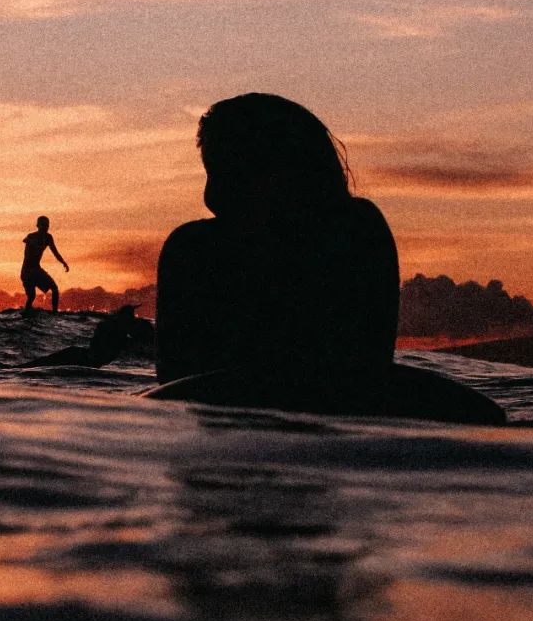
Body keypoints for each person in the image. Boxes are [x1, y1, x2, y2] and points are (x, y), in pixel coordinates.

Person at [153, 93, 400, 410]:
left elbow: (176, 381)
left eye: (230, 172)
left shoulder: (191, 249)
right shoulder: (361, 230)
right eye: (212, 173)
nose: (211, 196)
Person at [20, 305, 150, 368]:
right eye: (131, 318)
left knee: (40, 363)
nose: (133, 320)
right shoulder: (115, 331)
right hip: (82, 357)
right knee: (40, 364)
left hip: (81, 355)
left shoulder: (114, 329)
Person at [20, 215, 69, 312]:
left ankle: (55, 313)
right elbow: (27, 253)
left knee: (54, 288)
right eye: (43, 225)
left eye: (47, 225)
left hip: (37, 269)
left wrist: (63, 262)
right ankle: (26, 313)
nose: (46, 228)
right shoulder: (31, 237)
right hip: (27, 271)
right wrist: (31, 242)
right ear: (38, 226)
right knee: (31, 296)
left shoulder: (48, 238)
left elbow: (55, 252)